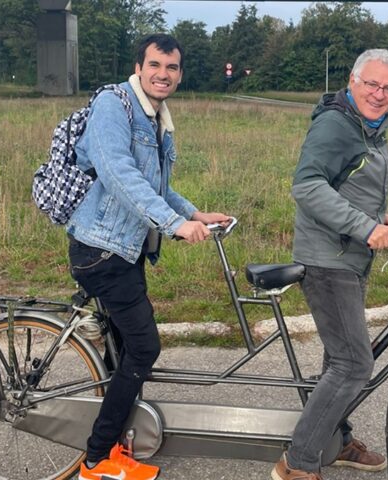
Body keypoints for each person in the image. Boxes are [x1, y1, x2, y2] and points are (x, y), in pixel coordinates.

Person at [66, 33, 231, 480]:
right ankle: (97, 460)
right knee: (144, 348)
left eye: (172, 68)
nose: (164, 74)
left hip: (124, 251)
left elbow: (154, 184)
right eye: (156, 65)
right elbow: (120, 175)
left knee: (124, 351)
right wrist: (174, 225)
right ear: (139, 67)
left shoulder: (154, 114)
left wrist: (194, 213)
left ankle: (117, 441)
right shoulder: (113, 105)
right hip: (101, 249)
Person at [272, 49, 388, 480]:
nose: (379, 94)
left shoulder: (371, 128)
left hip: (349, 256)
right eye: (372, 84)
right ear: (352, 81)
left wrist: (380, 218)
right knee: (354, 364)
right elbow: (307, 186)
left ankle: (338, 440)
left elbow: (350, 182)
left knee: (338, 360)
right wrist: (365, 228)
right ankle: (298, 463)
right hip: (327, 258)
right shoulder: (335, 124)